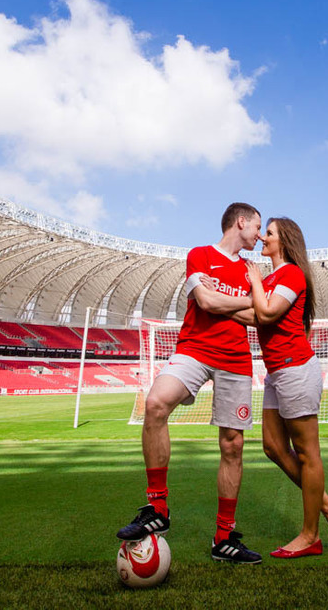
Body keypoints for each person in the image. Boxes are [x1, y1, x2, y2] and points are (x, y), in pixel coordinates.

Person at [116, 202, 264, 564]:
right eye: (257, 226)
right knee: (155, 404)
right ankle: (158, 509)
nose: (259, 235)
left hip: (235, 360)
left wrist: (226, 300)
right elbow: (206, 301)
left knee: (232, 446)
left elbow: (259, 317)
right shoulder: (199, 255)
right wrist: (243, 299)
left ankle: (224, 537)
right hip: (194, 349)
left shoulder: (254, 270)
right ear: (240, 222)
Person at [230, 216, 328, 558]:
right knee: (272, 447)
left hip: (296, 370)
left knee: (309, 454)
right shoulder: (270, 279)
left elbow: (266, 313)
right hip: (276, 373)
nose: (263, 238)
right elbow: (254, 315)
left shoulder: (292, 274)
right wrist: (215, 305)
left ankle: (310, 535)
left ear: (285, 241)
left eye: (268, 233)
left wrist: (253, 279)